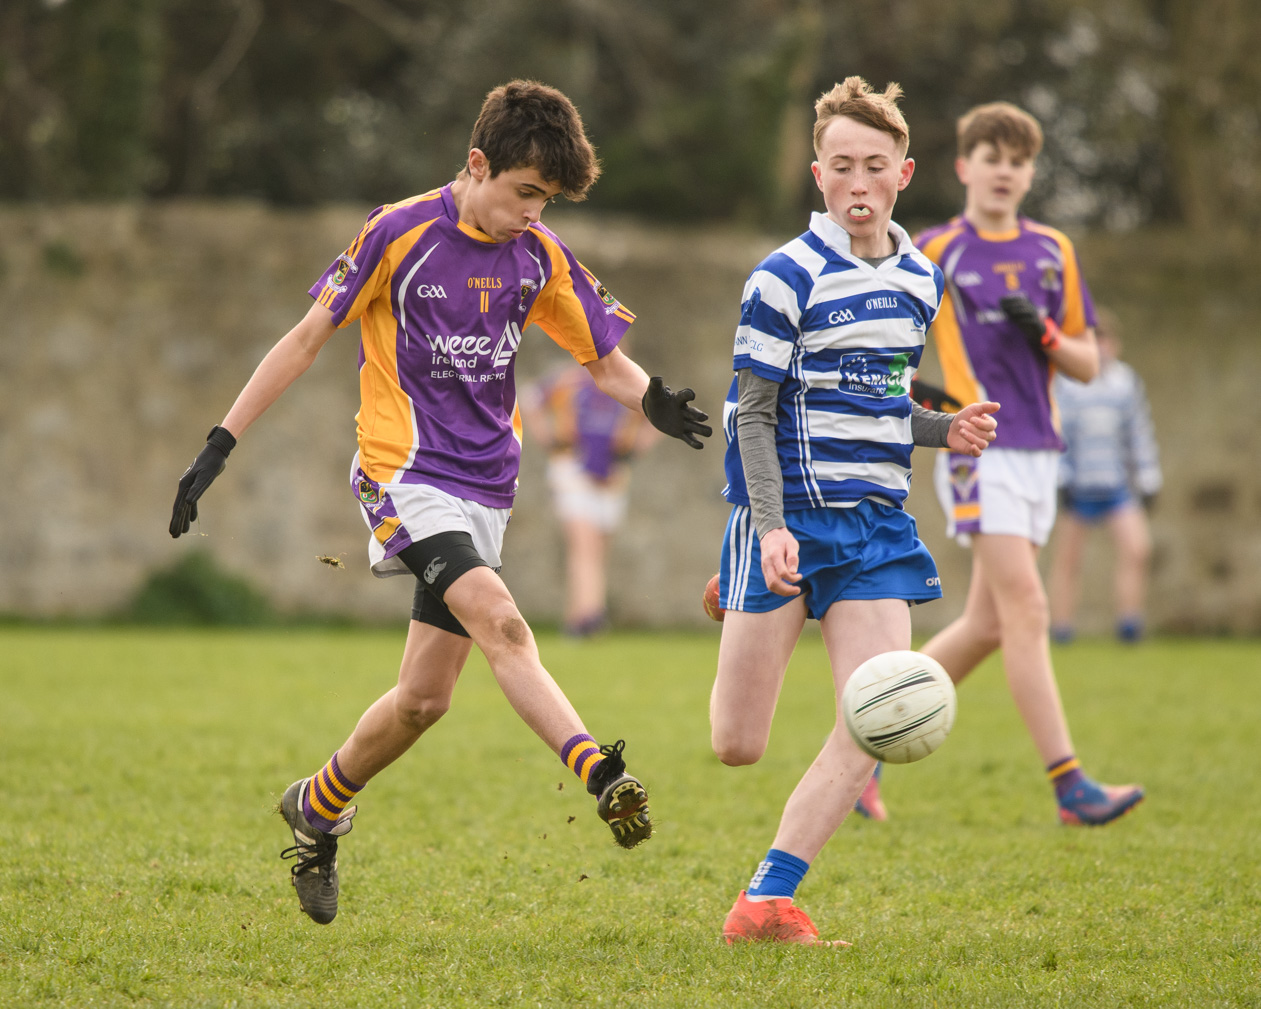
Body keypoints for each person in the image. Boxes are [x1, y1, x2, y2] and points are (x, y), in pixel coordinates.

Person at [168, 80, 712, 926]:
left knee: (424, 700)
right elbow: (310, 333)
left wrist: (655, 401)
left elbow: (605, 360)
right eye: (526, 192)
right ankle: (602, 773)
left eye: (550, 199)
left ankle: (316, 805)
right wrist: (219, 442)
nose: (536, 212)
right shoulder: (399, 231)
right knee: (504, 622)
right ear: (476, 164)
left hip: (487, 486)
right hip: (400, 474)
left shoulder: (540, 253)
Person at [709, 77, 999, 945]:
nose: (859, 182)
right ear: (818, 174)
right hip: (787, 518)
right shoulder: (780, 278)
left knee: (874, 714)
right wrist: (766, 529)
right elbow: (754, 413)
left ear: (904, 173)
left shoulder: (920, 281)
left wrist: (945, 432)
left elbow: (877, 403)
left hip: (874, 528)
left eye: (875, 165)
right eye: (843, 167)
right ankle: (728, 575)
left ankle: (765, 900)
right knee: (736, 744)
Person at [904, 101, 1144, 828]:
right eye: (990, 156)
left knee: (984, 625)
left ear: (1030, 172)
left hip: (1041, 451)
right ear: (963, 166)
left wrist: (1038, 329)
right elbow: (892, 341)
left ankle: (857, 745)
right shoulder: (933, 250)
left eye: (1017, 160)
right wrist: (916, 395)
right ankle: (1069, 784)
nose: (1003, 170)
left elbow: (1084, 360)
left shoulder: (1052, 251)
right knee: (1028, 610)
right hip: (977, 447)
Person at [1048, 309, 1162, 643]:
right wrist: (1061, 479)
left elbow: (1138, 434)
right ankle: (1062, 630)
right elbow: (1059, 434)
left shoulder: (1125, 383)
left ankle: (1129, 625)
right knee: (1068, 560)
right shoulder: (1067, 383)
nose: (1100, 348)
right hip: (1079, 488)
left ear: (1116, 344)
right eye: (1093, 340)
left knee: (1137, 550)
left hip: (1117, 488)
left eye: (1105, 340)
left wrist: (1149, 479)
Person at [521, 363, 658, 636]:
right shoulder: (567, 379)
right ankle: (589, 617)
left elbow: (658, 414)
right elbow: (529, 397)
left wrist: (635, 448)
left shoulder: (625, 382)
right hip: (573, 471)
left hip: (612, 476)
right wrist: (548, 438)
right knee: (584, 546)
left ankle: (579, 616)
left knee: (598, 550)